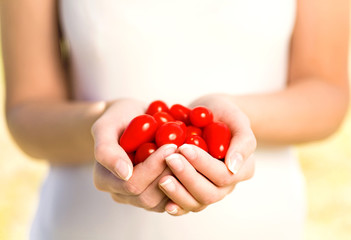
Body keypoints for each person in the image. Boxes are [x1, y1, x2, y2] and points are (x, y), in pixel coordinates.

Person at [1, 0, 349, 239]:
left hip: (260, 227)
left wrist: (237, 122)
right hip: (83, 227)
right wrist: (103, 128)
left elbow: (327, 91)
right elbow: (27, 108)